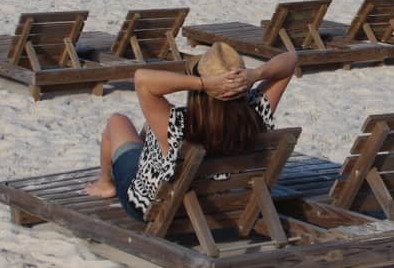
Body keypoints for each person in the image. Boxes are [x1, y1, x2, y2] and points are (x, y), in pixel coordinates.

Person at [84, 42, 298, 221]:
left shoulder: (177, 124)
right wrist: (256, 74)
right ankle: (139, 163)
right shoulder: (256, 112)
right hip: (230, 202)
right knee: (150, 127)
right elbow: (291, 58)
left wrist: (203, 83)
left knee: (117, 121)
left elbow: (141, 78)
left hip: (157, 209)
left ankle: (105, 183)